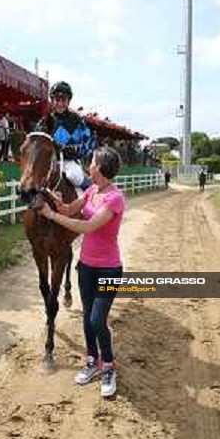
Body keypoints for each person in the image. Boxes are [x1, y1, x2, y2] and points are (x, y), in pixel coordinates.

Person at [39, 147, 125, 398]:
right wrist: (55, 201)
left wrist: (52, 215)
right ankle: (91, 360)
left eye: (93, 162)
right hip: (86, 266)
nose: (89, 165)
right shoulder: (91, 191)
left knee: (98, 319)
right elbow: (68, 210)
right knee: (88, 317)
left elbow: (87, 226)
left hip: (109, 268)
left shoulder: (114, 198)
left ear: (100, 168)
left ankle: (107, 366)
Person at [36, 81, 93, 191]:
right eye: (57, 100)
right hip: (49, 163)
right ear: (52, 101)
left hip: (69, 162)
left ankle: (92, 193)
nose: (60, 103)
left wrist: (77, 150)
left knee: (73, 176)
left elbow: (89, 142)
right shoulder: (44, 122)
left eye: (64, 100)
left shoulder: (77, 120)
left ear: (68, 101)